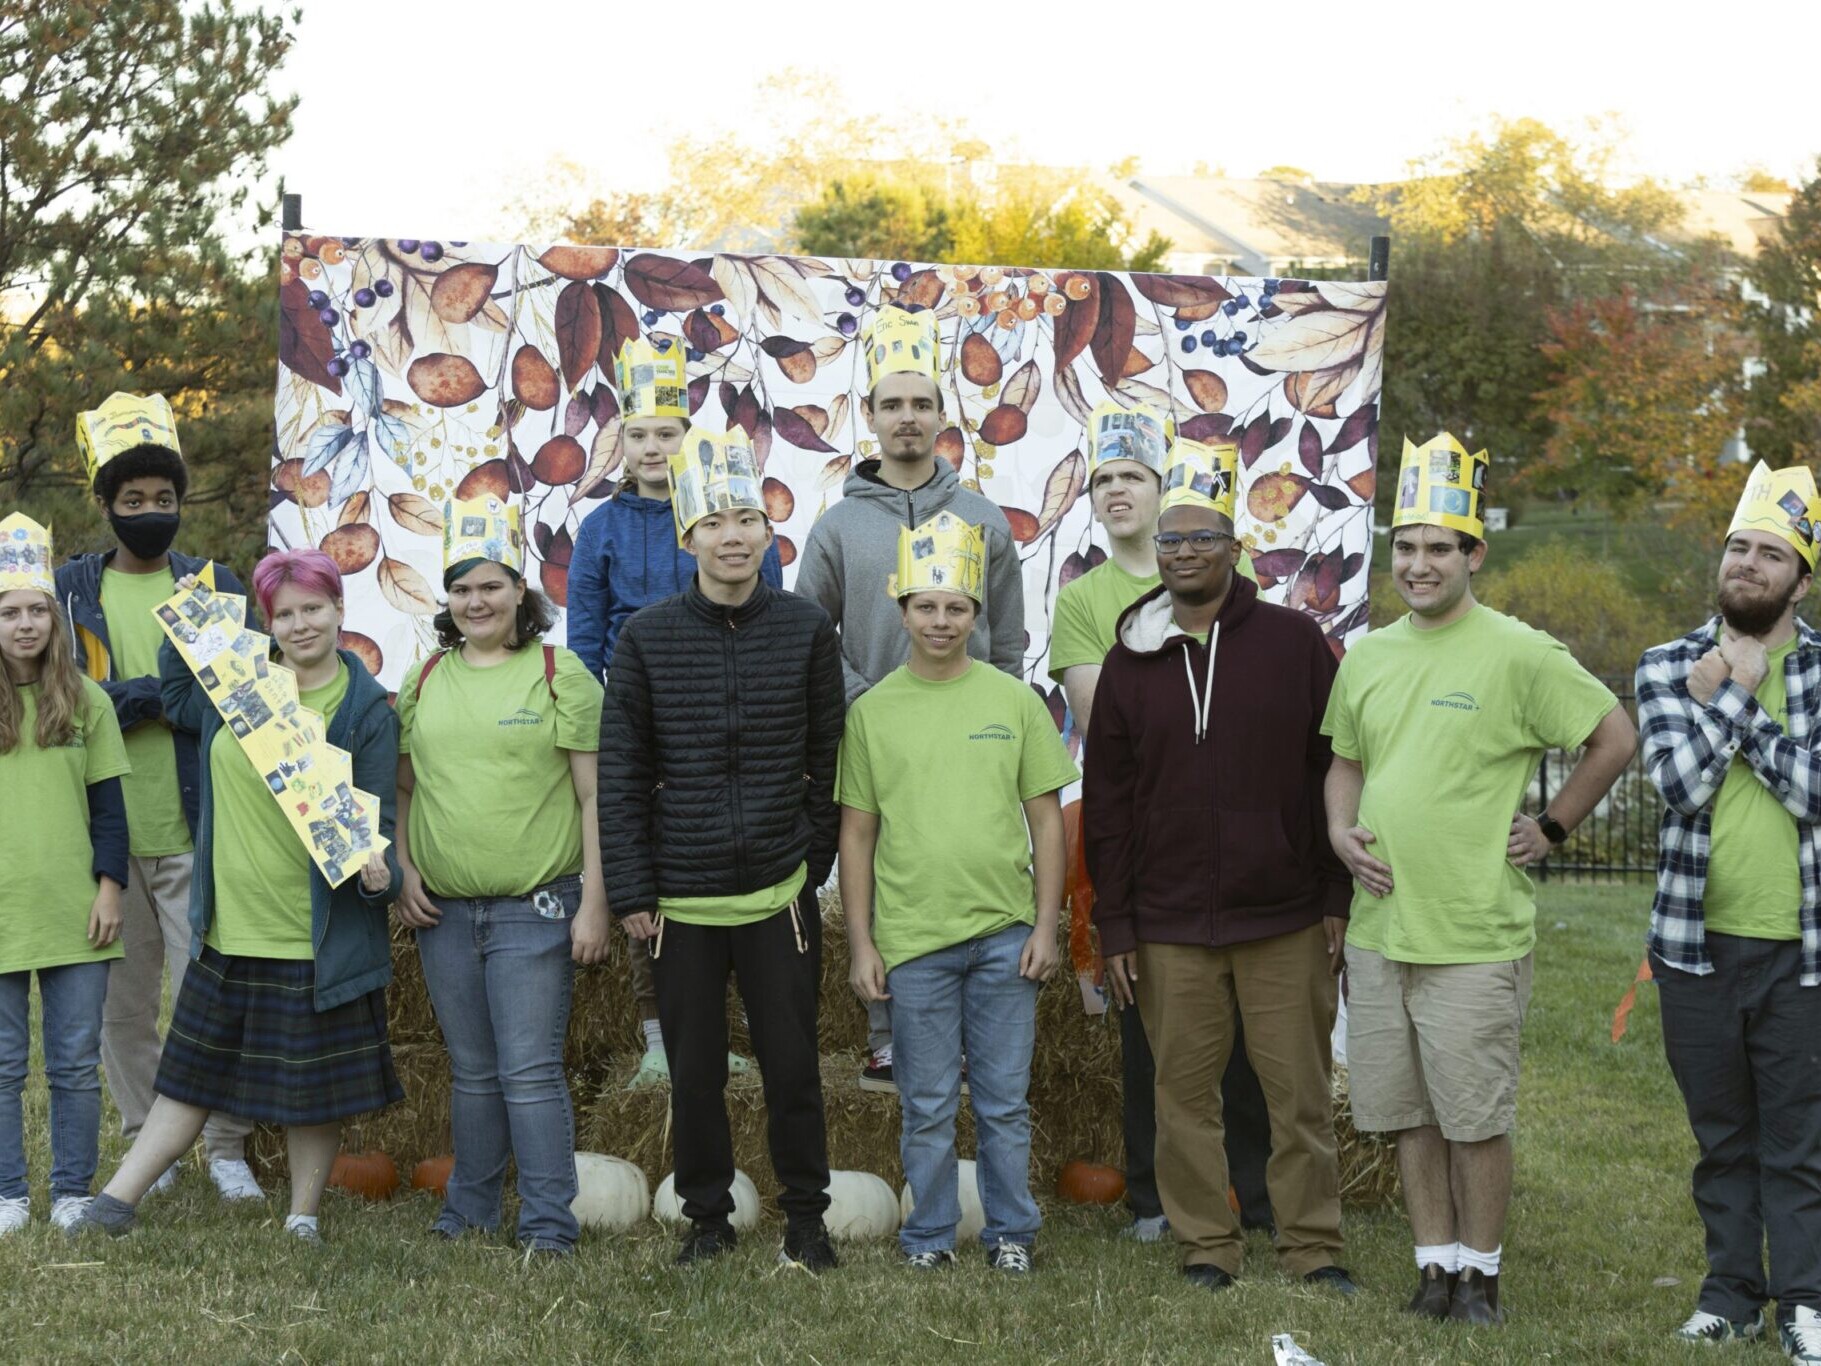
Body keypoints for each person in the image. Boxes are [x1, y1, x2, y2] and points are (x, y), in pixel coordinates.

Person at [1322, 433, 1635, 1324]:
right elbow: (1343, 760)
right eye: (1406, 548)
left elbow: (1613, 735)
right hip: (1383, 925)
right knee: (1409, 1113)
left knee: (1473, 1116)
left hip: (1472, 931)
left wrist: (1551, 825)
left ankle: (1482, 1278)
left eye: (1437, 549)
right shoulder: (1370, 656)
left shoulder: (1518, 652)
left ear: (1472, 555)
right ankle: (1433, 1268)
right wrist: (1339, 829)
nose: (1418, 566)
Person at [1081, 437, 1352, 1292]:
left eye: (1202, 539)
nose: (1185, 554)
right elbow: (1112, 804)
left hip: (1282, 915)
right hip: (1166, 923)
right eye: (1171, 540)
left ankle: (1311, 1248)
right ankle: (1206, 1246)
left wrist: (1334, 894)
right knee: (1182, 1100)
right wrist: (1114, 923)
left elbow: (1331, 770)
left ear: (1236, 549)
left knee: (1299, 1098)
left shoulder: (1294, 643)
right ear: (1152, 552)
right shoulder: (1130, 661)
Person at [74, 550, 404, 1242]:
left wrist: (382, 876)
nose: (301, 624)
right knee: (190, 1078)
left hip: (313, 936)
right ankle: (115, 1203)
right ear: (267, 623)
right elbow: (173, 692)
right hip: (228, 928)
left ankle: (302, 1217)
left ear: (340, 610)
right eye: (284, 613)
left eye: (314, 608)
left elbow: (377, 831)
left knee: (312, 1095)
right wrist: (186, 622)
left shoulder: (365, 708)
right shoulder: (237, 688)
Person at [598, 431, 844, 1271]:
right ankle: (707, 1218)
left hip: (778, 893)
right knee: (695, 1074)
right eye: (713, 521)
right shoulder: (645, 638)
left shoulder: (807, 629)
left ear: (769, 532)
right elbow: (624, 772)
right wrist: (632, 887)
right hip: (681, 900)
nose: (732, 535)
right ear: (686, 536)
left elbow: (827, 752)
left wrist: (810, 863)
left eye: (747, 518)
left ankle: (806, 1220)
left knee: (792, 1068)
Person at [1050, 402, 1273, 1245]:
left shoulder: (1224, 585)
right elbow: (1103, 716)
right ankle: (1149, 1197)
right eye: (1102, 480)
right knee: (1149, 1021)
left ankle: (1251, 1194)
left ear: (1165, 490)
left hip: (1234, 827)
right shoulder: (1083, 601)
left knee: (1247, 1030)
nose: (1115, 493)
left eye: (1131, 478)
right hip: (1143, 828)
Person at [795, 304, 1025, 1094]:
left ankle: (974, 1037)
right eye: (891, 404)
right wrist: (865, 701)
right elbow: (808, 636)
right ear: (870, 415)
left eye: (921, 403)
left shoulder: (984, 520)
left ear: (941, 415)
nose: (906, 418)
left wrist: (1000, 720)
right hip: (873, 731)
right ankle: (889, 1033)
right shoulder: (837, 529)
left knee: (958, 860)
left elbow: (1011, 641)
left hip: (971, 731)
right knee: (886, 869)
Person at [839, 510, 1074, 1274]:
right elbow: (857, 836)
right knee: (928, 1104)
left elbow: (1046, 820)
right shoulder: (872, 712)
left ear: (977, 613)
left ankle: (1010, 1235)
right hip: (914, 944)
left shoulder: (1012, 701)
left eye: (957, 607)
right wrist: (862, 943)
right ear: (900, 609)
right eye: (926, 605)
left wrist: (1047, 925)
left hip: (1006, 937)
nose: (941, 620)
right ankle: (929, 1236)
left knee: (1004, 1103)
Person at [56, 393, 261, 1200]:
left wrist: (134, 697)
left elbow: (234, 694)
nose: (150, 512)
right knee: (123, 1004)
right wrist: (158, 693)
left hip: (198, 826)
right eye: (133, 500)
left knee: (211, 989)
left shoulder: (213, 585)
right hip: (103, 834)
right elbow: (60, 690)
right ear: (105, 505)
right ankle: (149, 1141)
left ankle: (226, 1146)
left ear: (181, 505)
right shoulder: (68, 589)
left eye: (164, 500)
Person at [393, 495, 609, 1255]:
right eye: (461, 589)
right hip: (444, 913)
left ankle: (549, 1221)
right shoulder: (423, 680)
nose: (475, 601)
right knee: (473, 1072)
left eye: (490, 585)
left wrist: (595, 905)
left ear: (520, 590)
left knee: (527, 1070)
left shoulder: (560, 672)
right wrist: (404, 865)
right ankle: (469, 1209)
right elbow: (405, 788)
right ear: (447, 602)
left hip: (537, 908)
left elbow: (593, 795)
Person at [1638, 462, 1821, 1360]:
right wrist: (1739, 692)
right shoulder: (1667, 664)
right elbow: (1675, 785)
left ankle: (1802, 1301)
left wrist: (1737, 701)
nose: (1745, 564)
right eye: (1736, 548)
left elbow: (1818, 792)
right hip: (1694, 948)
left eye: (1767, 553)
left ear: (1800, 576)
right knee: (1721, 1136)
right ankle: (1729, 1292)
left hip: (1804, 952)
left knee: (1798, 1136)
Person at [565, 338, 777, 1087]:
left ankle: (734, 1032)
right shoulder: (599, 531)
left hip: (727, 729)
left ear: (689, 436)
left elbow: (768, 624)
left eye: (667, 432)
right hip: (641, 730)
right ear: (619, 441)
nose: (653, 447)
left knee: (728, 879)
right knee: (649, 884)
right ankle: (659, 1034)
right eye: (638, 434)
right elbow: (584, 643)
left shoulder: (732, 517)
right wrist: (613, 739)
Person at [0, 514, 128, 1235]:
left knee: (76, 1064)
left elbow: (110, 810)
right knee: (3, 1066)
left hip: (76, 909)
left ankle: (72, 1189)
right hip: (4, 905)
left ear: (55, 616)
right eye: (9, 611)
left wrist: (111, 887)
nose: (24, 625)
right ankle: (8, 1193)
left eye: (36, 611)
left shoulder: (87, 702)